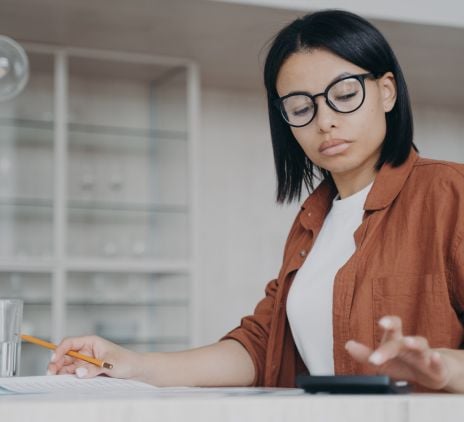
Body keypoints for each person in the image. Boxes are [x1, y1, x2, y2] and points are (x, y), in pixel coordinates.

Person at [47, 10, 464, 392]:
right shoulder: (312, 222)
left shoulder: (449, 194)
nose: (325, 121)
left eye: (345, 93)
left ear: (387, 91)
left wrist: (444, 367)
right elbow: (262, 347)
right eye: (301, 107)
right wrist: (132, 363)